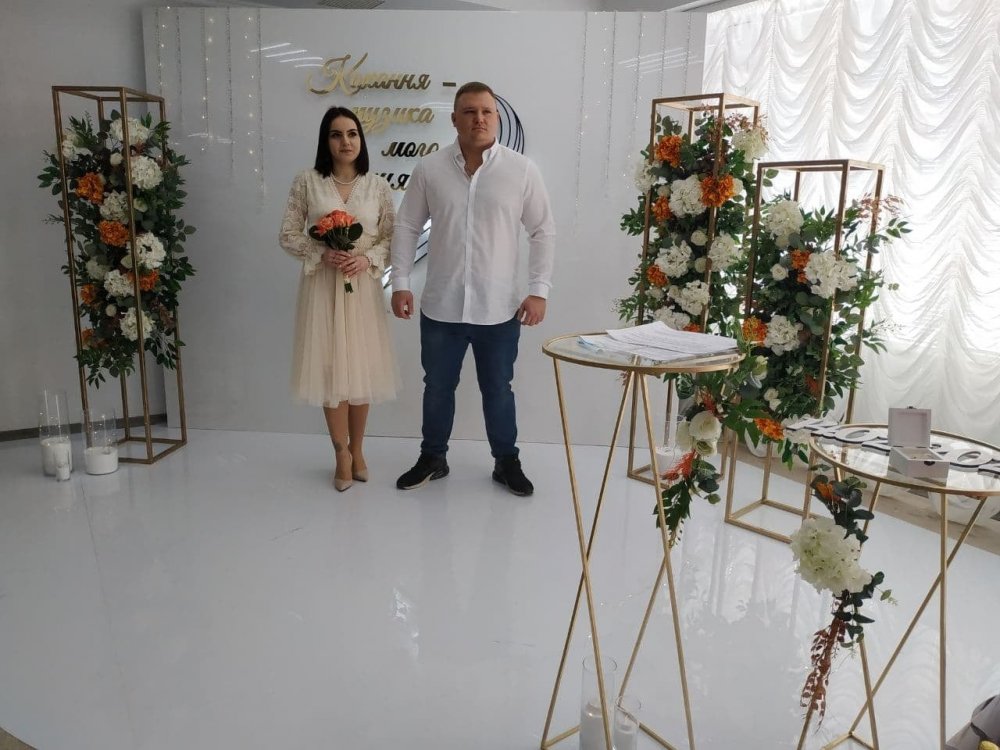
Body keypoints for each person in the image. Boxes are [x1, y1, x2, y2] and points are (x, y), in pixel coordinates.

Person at [390, 81, 556, 496]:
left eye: (486, 111)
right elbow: (407, 226)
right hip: (441, 306)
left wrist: (539, 290)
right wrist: (401, 282)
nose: (478, 119)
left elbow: (542, 230)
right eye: (469, 111)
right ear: (454, 119)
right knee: (436, 388)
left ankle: (506, 461)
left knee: (498, 389)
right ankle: (433, 457)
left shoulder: (521, 170)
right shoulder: (429, 169)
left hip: (498, 308)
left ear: (496, 117)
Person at [279, 106, 399, 491]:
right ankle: (340, 453)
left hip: (361, 289)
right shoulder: (307, 182)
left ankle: (359, 448)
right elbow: (288, 234)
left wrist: (366, 259)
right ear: (325, 141)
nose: (345, 141)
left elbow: (392, 237)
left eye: (352, 133)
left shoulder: (377, 186)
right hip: (323, 289)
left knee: (361, 368)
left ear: (360, 139)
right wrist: (321, 253)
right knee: (331, 369)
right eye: (336, 134)